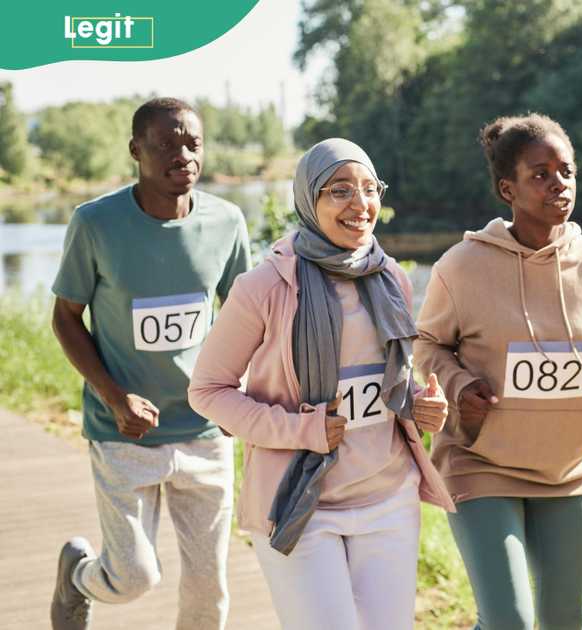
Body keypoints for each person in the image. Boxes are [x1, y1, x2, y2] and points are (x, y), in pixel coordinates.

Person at [188, 138, 454, 630]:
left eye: (370, 189)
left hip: (388, 499)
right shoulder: (263, 287)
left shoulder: (391, 277)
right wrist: (301, 430)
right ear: (309, 200)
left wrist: (417, 403)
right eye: (339, 191)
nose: (360, 204)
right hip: (300, 505)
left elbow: (383, 380)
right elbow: (207, 391)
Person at [414, 113, 582, 630]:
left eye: (566, 171)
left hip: (568, 472)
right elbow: (427, 344)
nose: (559, 184)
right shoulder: (461, 266)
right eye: (540, 174)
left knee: (566, 622)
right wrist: (458, 386)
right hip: (481, 464)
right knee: (509, 621)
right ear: (508, 188)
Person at [48, 97, 251, 630]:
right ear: (136, 150)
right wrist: (115, 397)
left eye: (192, 144)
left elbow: (246, 319)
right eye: (166, 144)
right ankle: (78, 576)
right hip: (124, 433)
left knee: (211, 591)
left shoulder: (227, 222)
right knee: (135, 577)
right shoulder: (95, 223)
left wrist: (241, 394)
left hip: (205, 429)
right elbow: (66, 319)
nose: (182, 155)